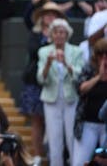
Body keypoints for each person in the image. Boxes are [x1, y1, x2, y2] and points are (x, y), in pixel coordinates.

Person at [20, 1, 65, 165]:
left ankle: (51, 152)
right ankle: (39, 154)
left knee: (51, 119)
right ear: (42, 17)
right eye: (47, 14)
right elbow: (34, 52)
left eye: (54, 14)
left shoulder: (61, 33)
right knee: (37, 119)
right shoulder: (35, 33)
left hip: (55, 81)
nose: (50, 17)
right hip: (34, 81)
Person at [36, 18, 84, 166]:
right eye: (56, 32)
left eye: (62, 32)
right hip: (51, 99)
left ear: (67, 34)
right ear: (52, 34)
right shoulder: (44, 51)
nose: (59, 35)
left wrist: (66, 64)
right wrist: (49, 64)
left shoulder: (76, 51)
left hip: (70, 98)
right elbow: (40, 79)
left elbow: (79, 75)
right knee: (54, 138)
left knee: (72, 137)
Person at [73, 38, 107, 166]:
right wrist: (99, 76)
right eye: (101, 54)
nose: (104, 58)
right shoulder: (89, 68)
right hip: (87, 123)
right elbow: (80, 89)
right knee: (80, 161)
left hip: (106, 124)